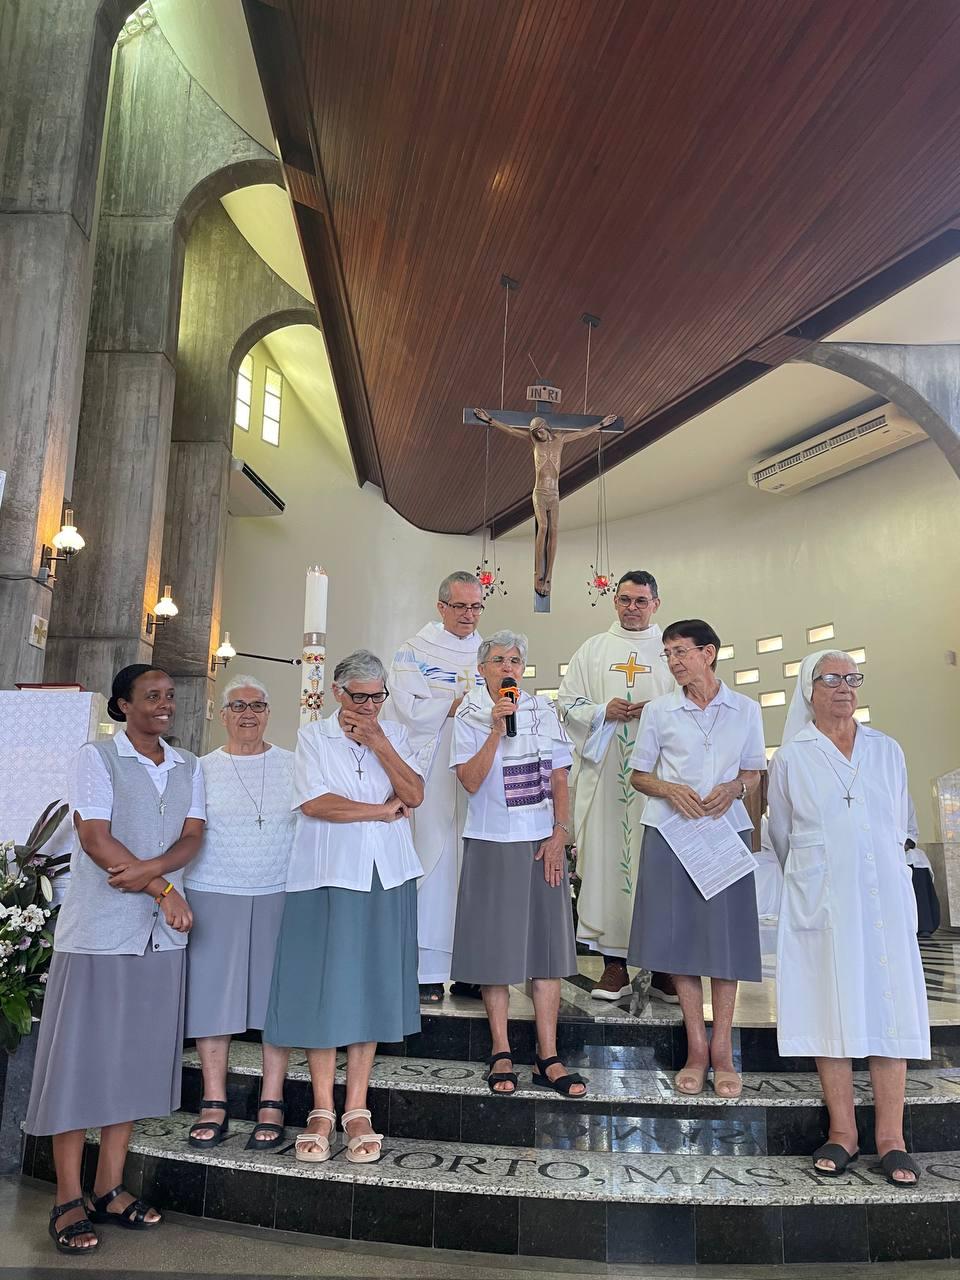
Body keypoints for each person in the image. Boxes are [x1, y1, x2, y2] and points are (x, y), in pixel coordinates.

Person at [24, 665, 205, 1254]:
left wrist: (154, 876)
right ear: (122, 705)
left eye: (169, 697)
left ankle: (109, 1188)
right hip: (99, 935)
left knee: (131, 1063)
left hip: (159, 939)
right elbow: (96, 840)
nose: (164, 705)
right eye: (151, 696)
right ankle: (67, 1198)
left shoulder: (189, 767)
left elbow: (192, 837)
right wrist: (165, 890)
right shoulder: (96, 759)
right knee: (82, 1064)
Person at [768, 650, 929, 1185]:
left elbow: (900, 824)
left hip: (882, 899)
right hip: (825, 904)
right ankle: (843, 1132)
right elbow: (784, 837)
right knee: (826, 1010)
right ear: (807, 689)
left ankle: (892, 1137)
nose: (844, 687)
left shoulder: (887, 750)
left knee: (888, 1010)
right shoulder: (793, 756)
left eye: (851, 678)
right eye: (830, 678)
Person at [263, 650, 423, 1163]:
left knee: (371, 985)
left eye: (379, 696)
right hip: (326, 874)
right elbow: (317, 804)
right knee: (325, 987)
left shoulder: (393, 734)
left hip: (386, 873)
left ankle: (357, 1106)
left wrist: (379, 743)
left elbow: (414, 793)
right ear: (338, 693)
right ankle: (321, 1106)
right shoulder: (313, 737)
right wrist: (379, 811)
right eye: (361, 697)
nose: (372, 705)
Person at [627, 620, 765, 1099]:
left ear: (708, 653)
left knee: (724, 946)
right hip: (670, 834)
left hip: (724, 834)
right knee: (680, 945)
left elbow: (753, 770)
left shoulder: (745, 709)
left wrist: (734, 789)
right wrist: (670, 789)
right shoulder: (660, 711)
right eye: (667, 653)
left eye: (681, 651)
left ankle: (723, 1048)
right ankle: (696, 1049)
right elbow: (639, 775)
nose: (673, 660)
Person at [450, 630, 586, 1098]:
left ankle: (548, 1054)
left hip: (542, 841)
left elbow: (560, 775)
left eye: (514, 660)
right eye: (498, 659)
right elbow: (468, 780)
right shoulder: (468, 712)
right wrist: (494, 727)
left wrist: (560, 832)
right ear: (482, 668)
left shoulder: (544, 709)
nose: (507, 666)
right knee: (496, 949)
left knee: (546, 950)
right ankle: (501, 1049)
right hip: (492, 839)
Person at [183, 676, 296, 1151]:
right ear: (222, 713)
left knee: (277, 1001)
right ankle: (214, 1100)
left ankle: (272, 1099)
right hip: (213, 889)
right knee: (213, 1001)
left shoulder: (294, 764)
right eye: (238, 706)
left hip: (279, 889)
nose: (248, 714)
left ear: (269, 711)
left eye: (257, 705)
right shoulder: (198, 769)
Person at [557, 570, 675, 1001]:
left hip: (659, 780)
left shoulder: (670, 653)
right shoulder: (593, 650)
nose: (631, 607)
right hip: (606, 775)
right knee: (607, 862)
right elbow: (565, 703)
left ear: (655, 604)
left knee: (657, 866)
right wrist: (601, 711)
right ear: (615, 602)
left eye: (640, 601)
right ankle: (613, 965)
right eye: (624, 599)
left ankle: (661, 964)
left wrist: (658, 711)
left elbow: (690, 703)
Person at [386, 571, 484, 1003]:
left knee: (475, 865)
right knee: (436, 862)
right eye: (460, 606)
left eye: (475, 606)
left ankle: (473, 969)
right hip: (433, 766)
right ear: (441, 606)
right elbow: (405, 708)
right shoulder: (413, 651)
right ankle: (426, 970)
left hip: (479, 770)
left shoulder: (490, 653)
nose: (468, 615)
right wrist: (460, 705)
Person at [906, 796, 940, 938]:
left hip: (900, 849)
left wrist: (902, 845)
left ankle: (923, 924)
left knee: (919, 862)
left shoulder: (904, 799)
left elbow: (912, 832)